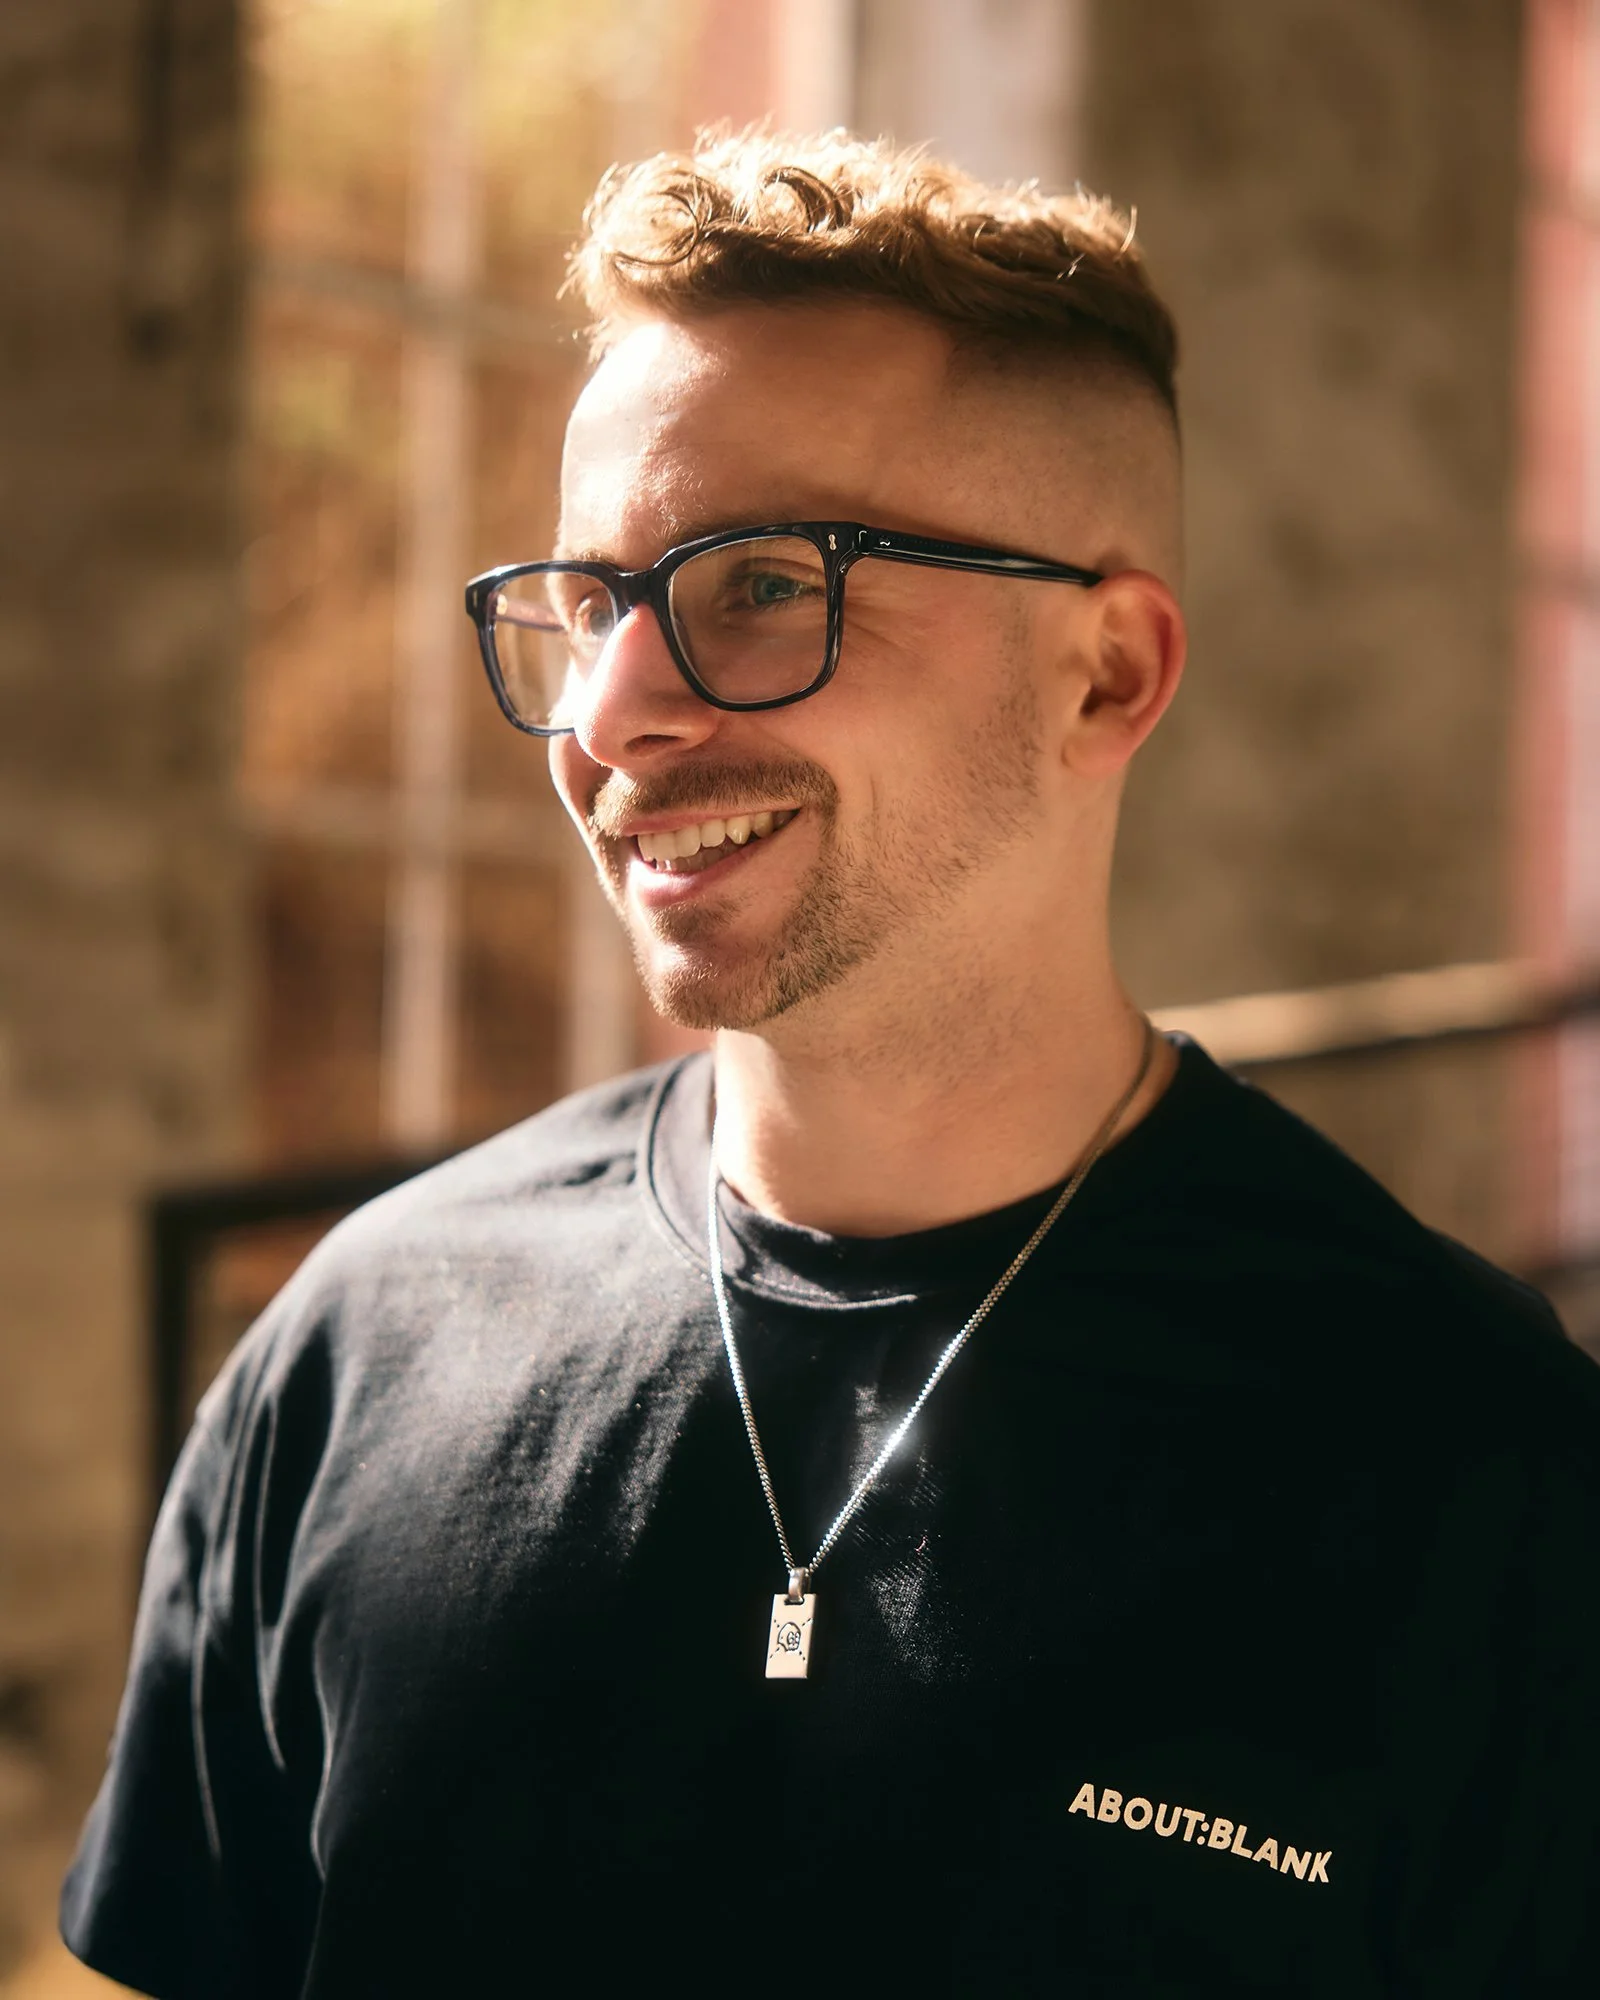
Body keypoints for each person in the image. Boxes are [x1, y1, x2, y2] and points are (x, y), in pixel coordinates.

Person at [62, 129, 1600, 1998]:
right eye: (587, 604)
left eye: (766, 585)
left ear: (1105, 674)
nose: (610, 717)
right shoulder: (357, 1347)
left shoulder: (1472, 1467)